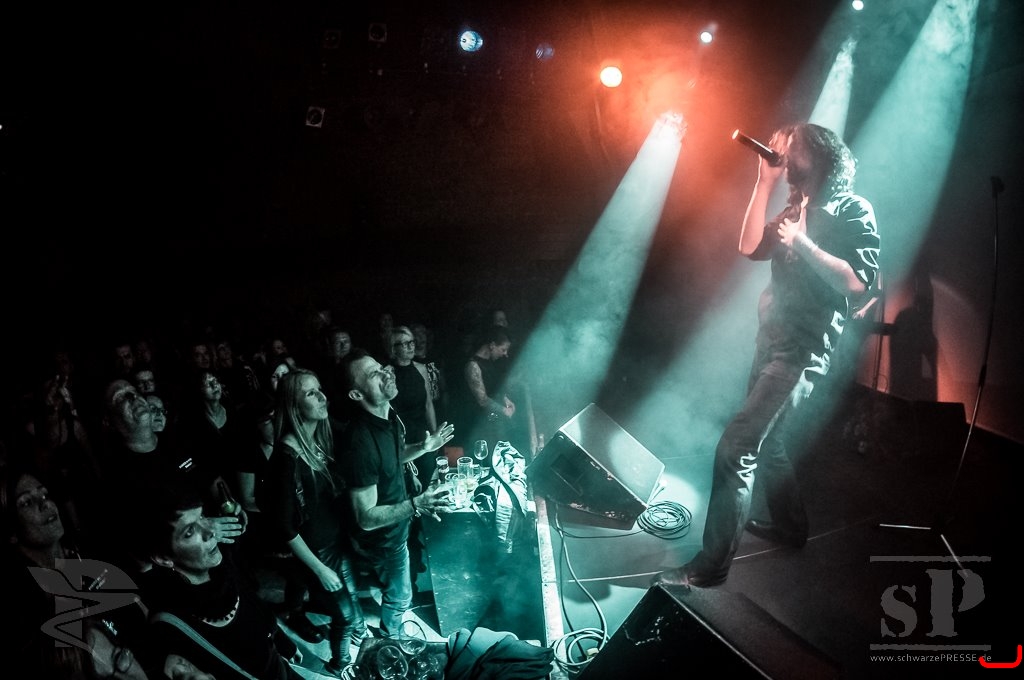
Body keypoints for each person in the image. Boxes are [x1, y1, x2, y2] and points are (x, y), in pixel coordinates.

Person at [655, 123, 880, 588]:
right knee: (770, 444)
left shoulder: (852, 209)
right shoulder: (795, 208)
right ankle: (791, 527)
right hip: (771, 342)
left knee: (736, 448)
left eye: (789, 149)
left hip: (802, 351)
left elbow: (858, 282)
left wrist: (800, 242)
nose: (780, 154)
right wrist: (764, 183)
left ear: (819, 156)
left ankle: (710, 567)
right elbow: (749, 247)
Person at [336, 349, 454, 637]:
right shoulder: (359, 443)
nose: (385, 373)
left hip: (396, 525)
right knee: (400, 596)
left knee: (398, 584)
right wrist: (416, 504)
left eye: (381, 367)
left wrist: (423, 447)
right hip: (382, 538)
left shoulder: (388, 414)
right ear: (356, 394)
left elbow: (394, 457)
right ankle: (390, 638)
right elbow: (365, 517)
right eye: (373, 374)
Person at [257, 368, 367, 676]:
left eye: (319, 389)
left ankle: (362, 646)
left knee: (353, 604)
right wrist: (319, 569)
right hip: (317, 553)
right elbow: (285, 528)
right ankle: (338, 666)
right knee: (344, 617)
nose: (322, 397)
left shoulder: (318, 436)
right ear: (294, 406)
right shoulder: (286, 458)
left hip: (336, 541)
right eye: (310, 393)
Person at [137, 482, 305, 680]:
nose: (209, 531)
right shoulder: (171, 623)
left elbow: (253, 605)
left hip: (279, 666)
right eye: (189, 532)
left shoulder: (222, 565)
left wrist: (283, 643)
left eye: (202, 517)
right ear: (163, 558)